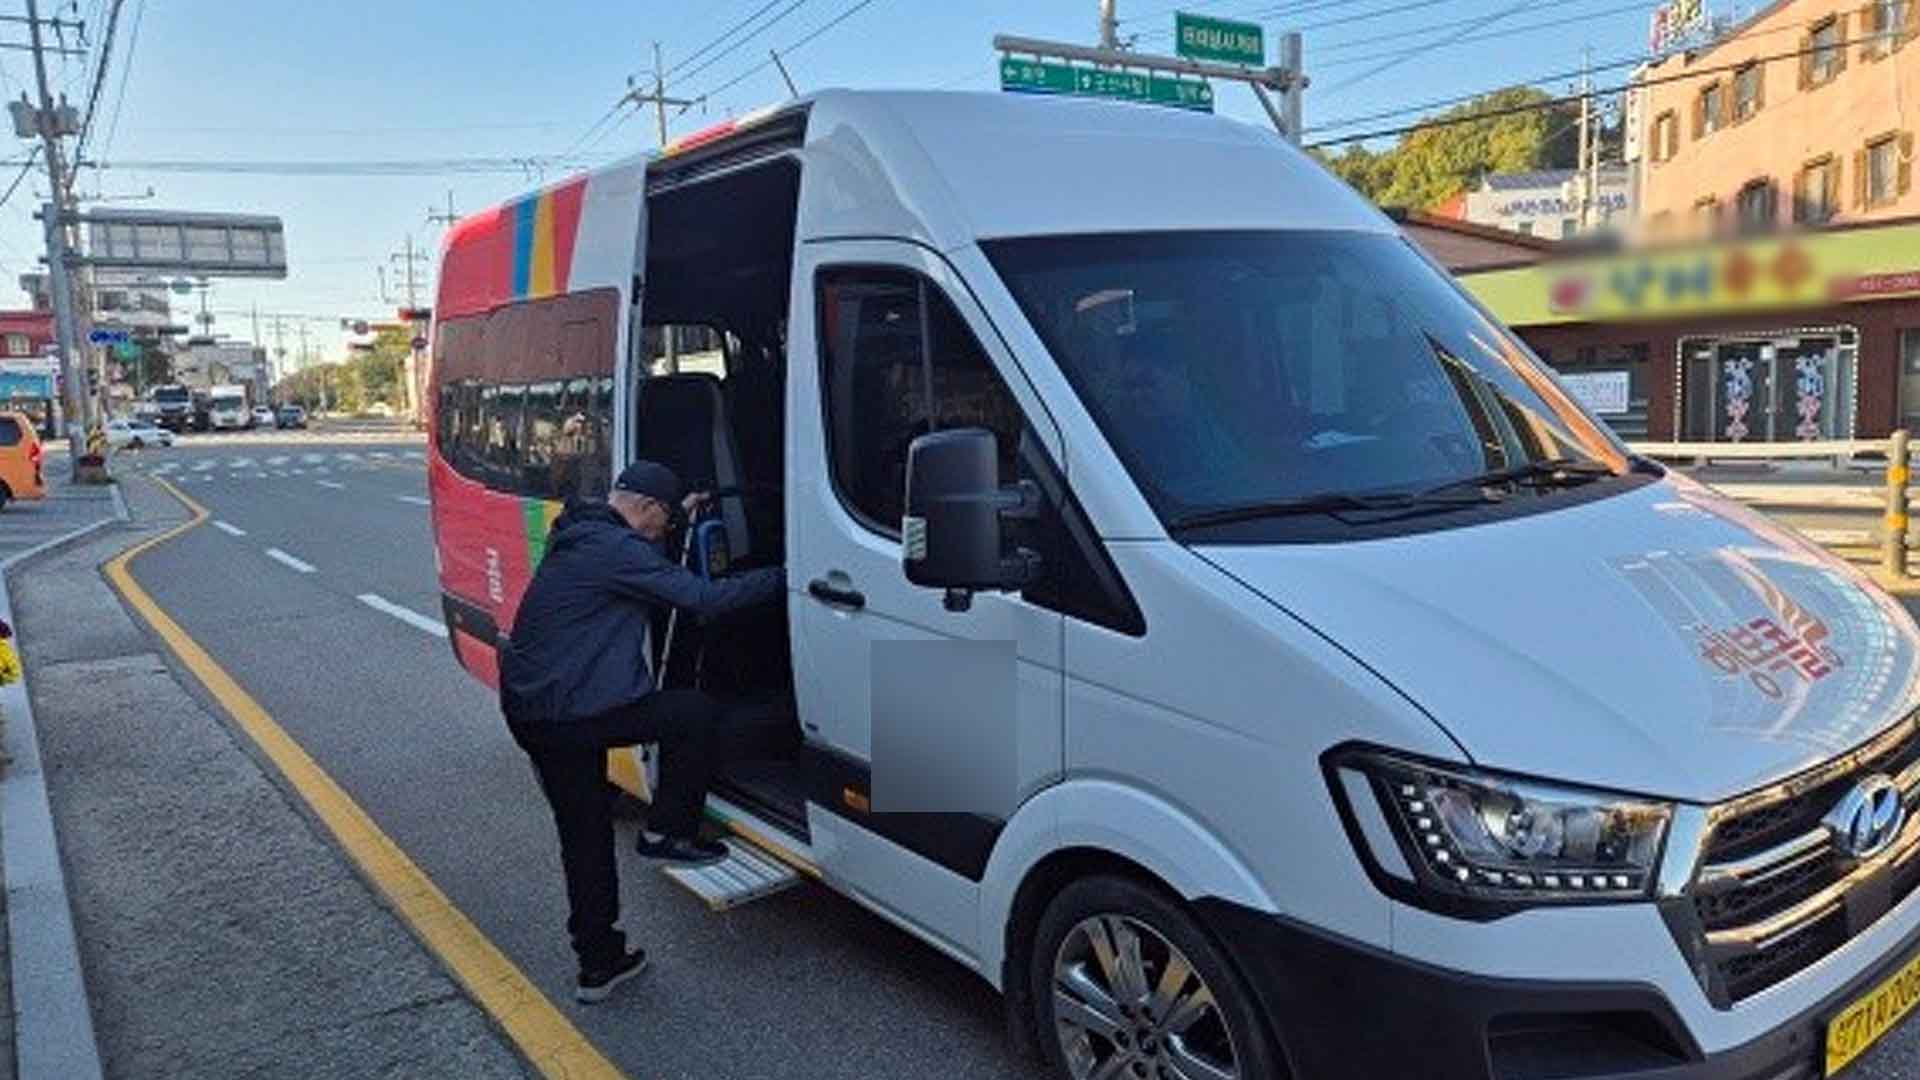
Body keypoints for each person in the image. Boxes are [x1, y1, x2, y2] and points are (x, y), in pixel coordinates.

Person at [499, 459, 785, 1002]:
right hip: (575, 712)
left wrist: (679, 518)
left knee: (584, 838)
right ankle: (666, 833)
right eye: (664, 520)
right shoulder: (615, 549)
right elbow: (704, 599)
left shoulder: (581, 534)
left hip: (535, 711)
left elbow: (642, 561)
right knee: (691, 713)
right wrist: (790, 575)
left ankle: (599, 963)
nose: (664, 531)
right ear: (649, 508)